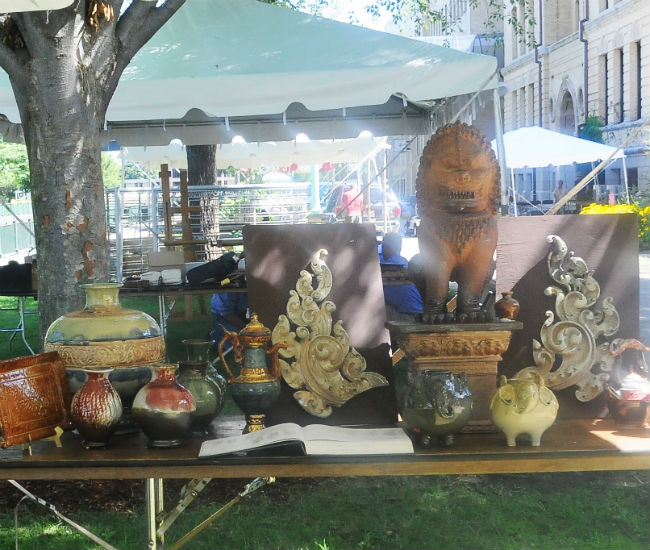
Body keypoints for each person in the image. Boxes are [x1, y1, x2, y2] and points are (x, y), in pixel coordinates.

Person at [379, 232, 423, 323]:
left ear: (387, 247)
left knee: (374, 304)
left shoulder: (388, 265)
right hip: (418, 313)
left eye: (383, 247)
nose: (382, 250)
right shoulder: (404, 262)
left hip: (407, 316)